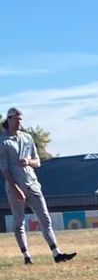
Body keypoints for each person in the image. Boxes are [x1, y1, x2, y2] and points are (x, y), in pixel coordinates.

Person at [0, 107, 77, 265]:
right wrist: (15, 188)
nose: (19, 122)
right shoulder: (3, 141)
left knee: (45, 218)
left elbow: (37, 161)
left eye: (21, 119)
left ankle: (57, 253)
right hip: (15, 186)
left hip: (32, 183)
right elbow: (4, 169)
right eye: (16, 118)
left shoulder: (27, 138)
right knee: (18, 221)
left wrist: (29, 162)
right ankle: (26, 256)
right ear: (8, 119)